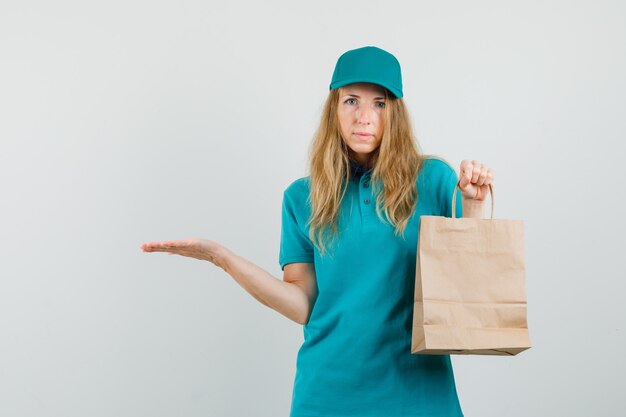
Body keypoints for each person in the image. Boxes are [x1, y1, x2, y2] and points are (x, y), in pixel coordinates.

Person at [141, 46, 494, 417]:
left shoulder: (433, 179)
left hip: (420, 396)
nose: (364, 117)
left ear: (397, 113)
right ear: (333, 109)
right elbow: (302, 304)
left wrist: (473, 203)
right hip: (328, 396)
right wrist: (223, 259)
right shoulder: (302, 197)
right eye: (351, 101)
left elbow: (470, 277)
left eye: (380, 104)